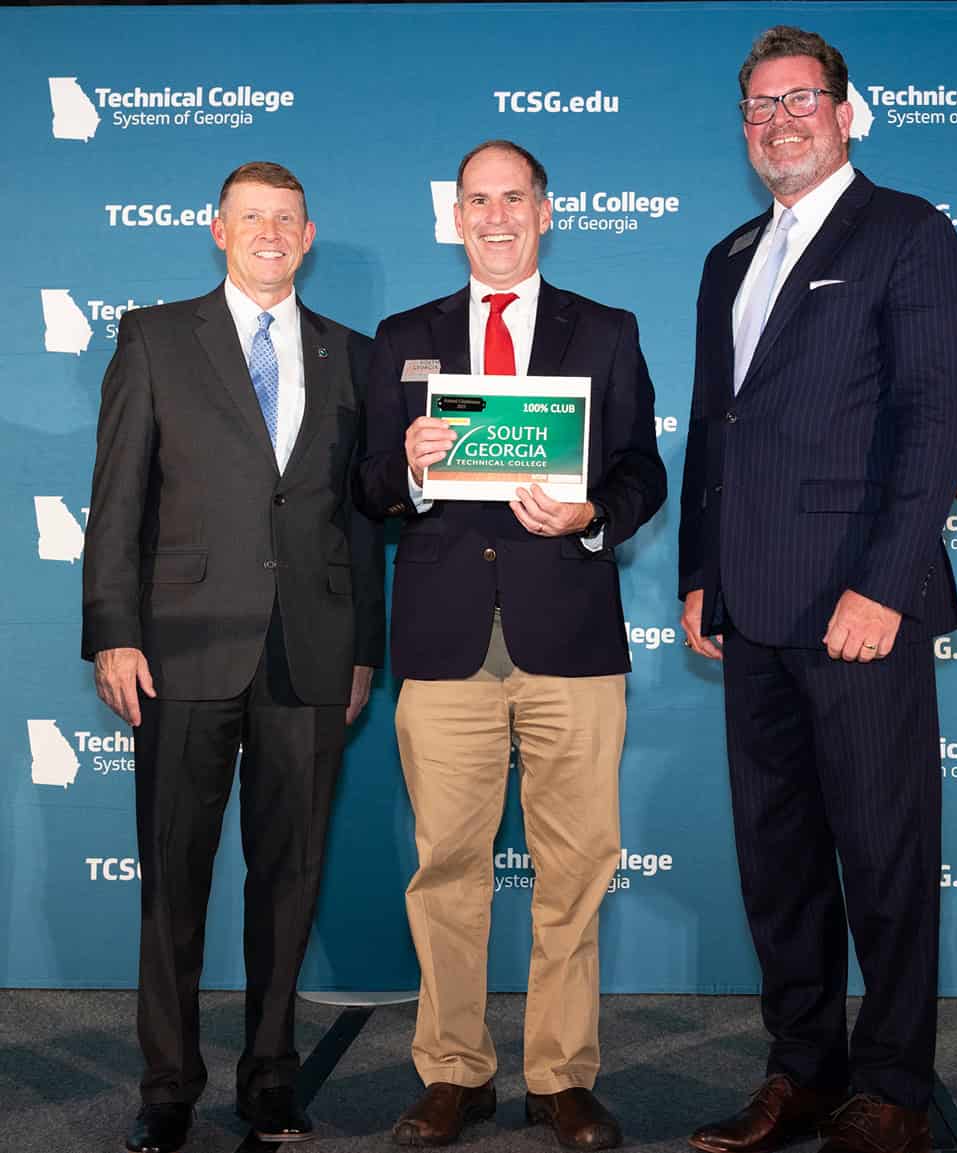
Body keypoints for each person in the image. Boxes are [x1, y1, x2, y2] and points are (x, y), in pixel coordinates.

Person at [679, 26, 957, 1153]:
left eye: (801, 99)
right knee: (778, 861)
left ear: (845, 112)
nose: (779, 120)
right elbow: (720, 427)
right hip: (749, 610)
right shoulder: (727, 255)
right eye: (759, 106)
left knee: (885, 854)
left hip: (860, 609)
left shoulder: (905, 231)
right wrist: (699, 573)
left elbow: (932, 417)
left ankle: (891, 1085)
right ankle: (801, 1069)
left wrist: (884, 585)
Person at [357, 139, 665, 1151]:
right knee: (445, 865)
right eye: (476, 201)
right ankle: (453, 1072)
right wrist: (405, 469)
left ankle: (561, 1078)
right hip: (445, 644)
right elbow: (365, 490)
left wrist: (588, 515)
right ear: (455, 217)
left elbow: (640, 473)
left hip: (570, 637)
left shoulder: (606, 330)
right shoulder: (404, 336)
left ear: (545, 211)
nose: (494, 216)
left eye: (512, 199)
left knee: (575, 866)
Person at [82, 160, 385, 1151]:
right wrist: (114, 629)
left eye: (285, 219)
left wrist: (361, 649)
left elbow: (357, 520)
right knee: (172, 875)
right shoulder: (157, 337)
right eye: (250, 216)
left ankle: (268, 1078)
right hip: (178, 651)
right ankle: (167, 1086)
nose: (268, 232)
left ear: (306, 236)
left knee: (288, 876)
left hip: (311, 651)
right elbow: (118, 496)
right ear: (218, 229)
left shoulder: (354, 354)